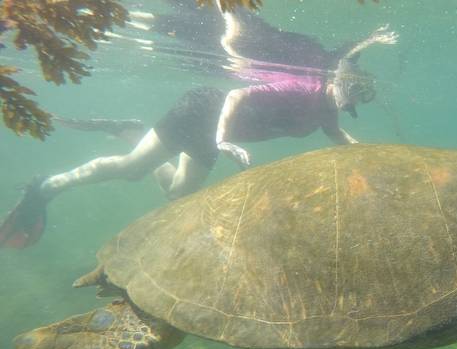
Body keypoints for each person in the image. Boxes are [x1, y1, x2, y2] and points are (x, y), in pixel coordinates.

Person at [0, 11, 397, 249]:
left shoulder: (328, 109)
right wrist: (221, 139)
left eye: (350, 107)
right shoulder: (302, 87)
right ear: (336, 85)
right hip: (202, 112)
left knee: (177, 195)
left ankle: (134, 130)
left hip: (215, 136)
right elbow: (236, 98)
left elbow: (339, 138)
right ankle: (45, 188)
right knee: (133, 169)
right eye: (346, 101)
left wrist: (373, 159)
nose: (343, 110)